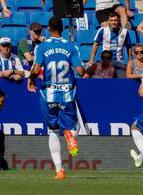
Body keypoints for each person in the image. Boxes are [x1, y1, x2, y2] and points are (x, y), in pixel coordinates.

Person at [27, 16, 85, 180]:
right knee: (74, 128)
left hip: (48, 95)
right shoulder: (72, 47)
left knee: (52, 131)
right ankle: (69, 134)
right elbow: (80, 71)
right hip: (66, 94)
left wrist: (30, 79)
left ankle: (59, 170)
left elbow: (37, 69)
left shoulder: (42, 47)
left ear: (48, 29)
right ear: (63, 28)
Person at [90, 11, 132, 78]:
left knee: (122, 78)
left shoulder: (125, 31)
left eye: (115, 20)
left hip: (118, 61)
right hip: (105, 62)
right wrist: (91, 60)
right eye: (111, 20)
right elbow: (96, 45)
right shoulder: (102, 30)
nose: (113, 22)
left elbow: (128, 46)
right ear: (108, 21)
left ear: (119, 20)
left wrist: (130, 60)